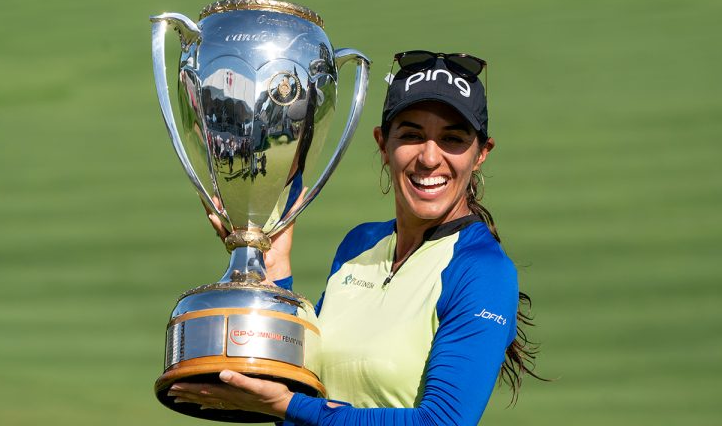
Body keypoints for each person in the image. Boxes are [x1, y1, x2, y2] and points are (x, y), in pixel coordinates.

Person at [168, 51, 542, 425]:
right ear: (383, 144)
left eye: (453, 139)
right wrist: (273, 270)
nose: (430, 158)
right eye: (411, 135)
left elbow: (443, 421)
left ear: (481, 154)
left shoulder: (483, 272)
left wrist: (286, 407)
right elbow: (307, 383)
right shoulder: (359, 244)